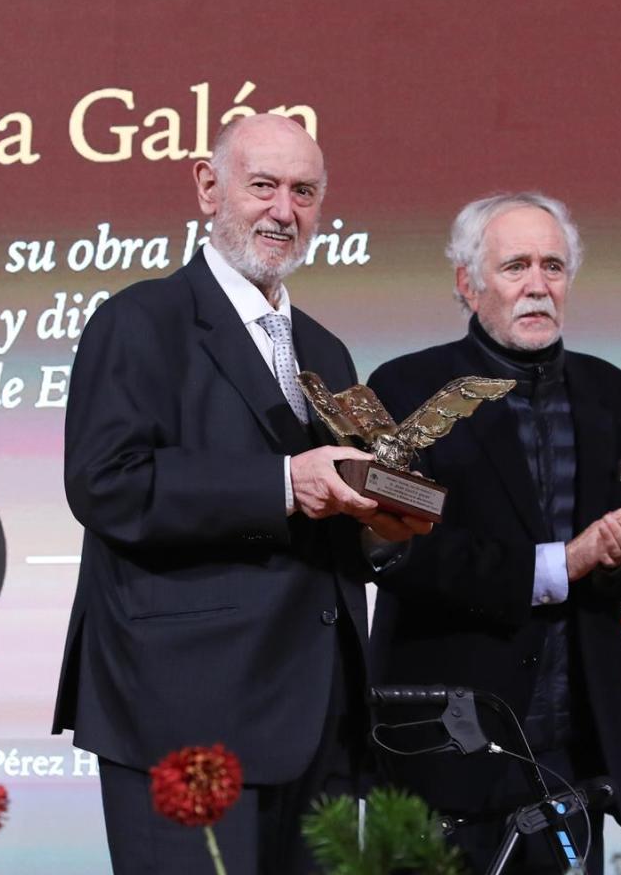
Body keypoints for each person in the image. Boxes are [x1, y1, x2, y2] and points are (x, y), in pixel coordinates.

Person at [52, 114, 428, 874]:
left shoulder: (325, 349)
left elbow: (338, 513)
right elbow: (107, 485)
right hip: (184, 712)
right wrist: (284, 484)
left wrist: (385, 525)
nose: (284, 211)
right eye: (263, 187)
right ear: (206, 187)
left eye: (304, 192)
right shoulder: (140, 322)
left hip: (319, 713)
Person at [366, 193, 621, 873]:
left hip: (573, 758)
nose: (538, 285)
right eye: (516, 266)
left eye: (553, 265)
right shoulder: (404, 393)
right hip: (444, 754)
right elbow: (405, 554)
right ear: (467, 283)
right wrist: (565, 562)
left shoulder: (619, 398)